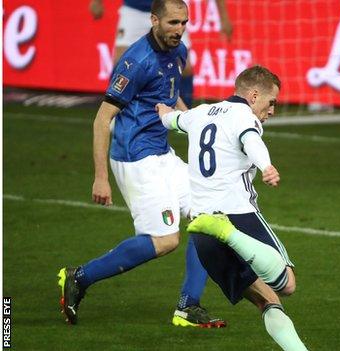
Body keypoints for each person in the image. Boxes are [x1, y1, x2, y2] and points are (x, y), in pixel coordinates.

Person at [58, 0, 225, 329]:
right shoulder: (135, 61)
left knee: (211, 215)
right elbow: (102, 118)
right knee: (166, 241)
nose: (179, 29)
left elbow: (169, 96)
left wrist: (191, 119)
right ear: (154, 20)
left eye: (184, 23)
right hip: (135, 158)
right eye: (173, 22)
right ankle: (80, 276)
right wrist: (100, 178)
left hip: (161, 153)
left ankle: (188, 306)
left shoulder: (179, 52)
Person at [156, 65, 308, 351]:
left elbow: (171, 119)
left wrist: (162, 109)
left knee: (267, 300)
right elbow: (251, 141)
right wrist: (266, 166)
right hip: (236, 215)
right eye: (271, 102)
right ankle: (228, 233)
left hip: (201, 227)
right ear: (253, 95)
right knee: (286, 284)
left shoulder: (200, 113)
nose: (272, 110)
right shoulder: (244, 116)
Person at [89, 0, 233, 107]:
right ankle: (114, 109)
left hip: (168, 12)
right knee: (121, 62)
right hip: (134, 10)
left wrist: (224, 18)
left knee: (186, 67)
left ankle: (185, 117)